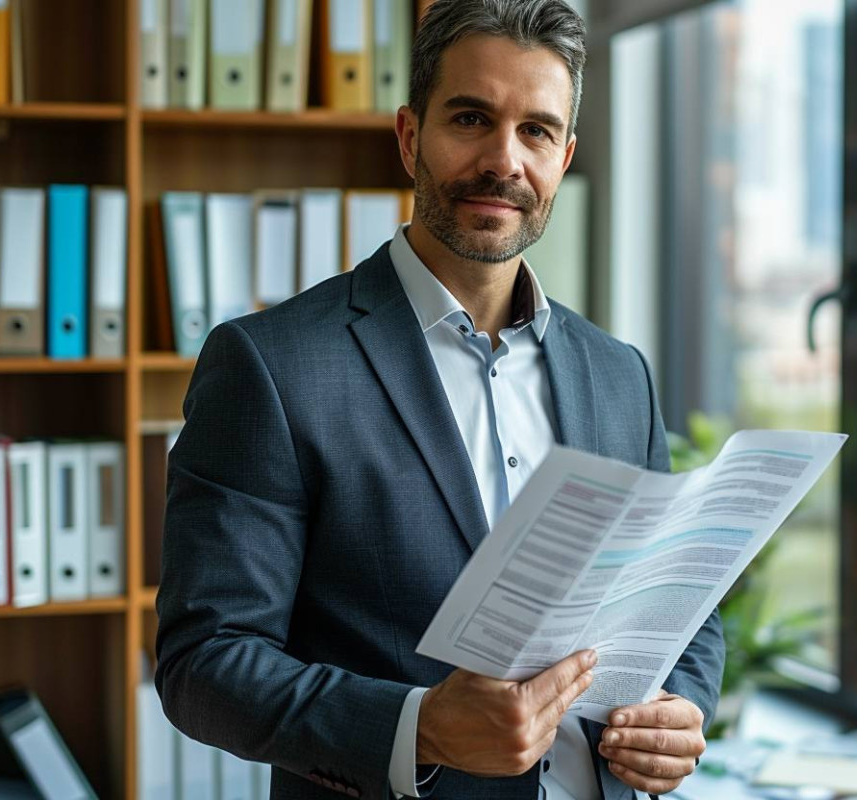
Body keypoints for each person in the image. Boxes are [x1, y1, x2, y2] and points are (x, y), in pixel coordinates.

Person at [153, 1, 724, 797]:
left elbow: (679, 608)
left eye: (536, 131)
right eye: (471, 118)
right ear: (410, 136)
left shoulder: (620, 373)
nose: (503, 160)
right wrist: (415, 727)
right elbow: (203, 663)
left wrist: (682, 707)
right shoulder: (270, 367)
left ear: (564, 157)